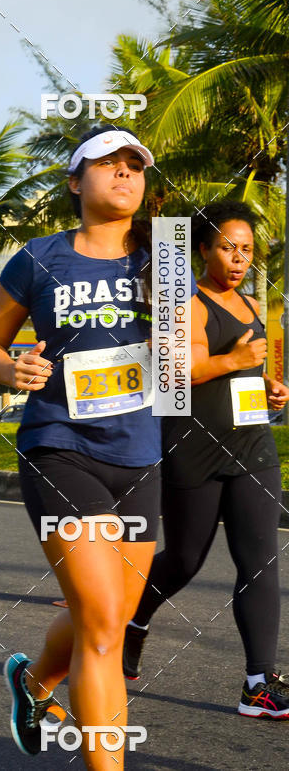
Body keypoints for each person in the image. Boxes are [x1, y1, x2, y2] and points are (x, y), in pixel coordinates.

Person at [0, 125, 163, 769]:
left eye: (134, 166)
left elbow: (191, 353)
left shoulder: (162, 260)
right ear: (76, 181)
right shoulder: (39, 257)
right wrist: (10, 370)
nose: (124, 175)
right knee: (104, 627)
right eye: (107, 164)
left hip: (139, 455)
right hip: (60, 445)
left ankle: (33, 682)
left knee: (104, 619)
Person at [123, 200, 289, 719]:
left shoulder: (248, 305)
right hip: (194, 447)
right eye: (226, 247)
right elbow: (178, 375)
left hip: (253, 446)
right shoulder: (187, 302)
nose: (238, 258)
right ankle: (135, 617)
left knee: (260, 562)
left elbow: (241, 370)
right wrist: (237, 360)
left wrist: (267, 386)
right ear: (202, 250)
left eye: (245, 249)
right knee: (185, 560)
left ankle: (258, 683)